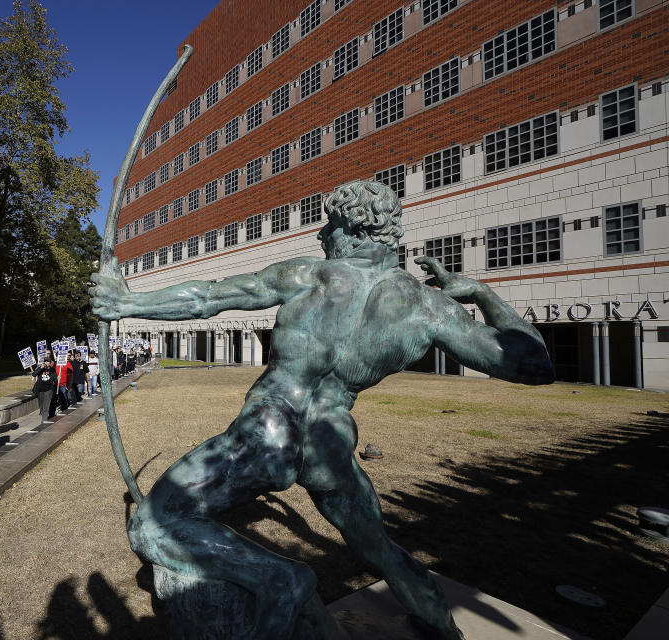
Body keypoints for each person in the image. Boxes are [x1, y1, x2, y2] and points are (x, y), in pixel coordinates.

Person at [90, 180, 554, 640]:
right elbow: (534, 365)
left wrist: (127, 302)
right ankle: (445, 631)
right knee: (379, 550)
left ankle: (281, 579)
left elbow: (209, 298)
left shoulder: (310, 275)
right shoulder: (430, 307)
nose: (321, 236)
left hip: (268, 428)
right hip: (329, 441)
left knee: (152, 524)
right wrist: (481, 294)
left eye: (329, 224)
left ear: (351, 227)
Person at [32, 355, 57, 426]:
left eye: (48, 361)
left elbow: (55, 380)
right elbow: (34, 374)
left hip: (49, 390)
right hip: (40, 390)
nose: (46, 362)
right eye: (45, 361)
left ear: (50, 362)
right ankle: (44, 417)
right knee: (42, 406)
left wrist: (57, 378)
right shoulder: (40, 368)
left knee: (46, 405)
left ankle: (44, 421)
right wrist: (40, 368)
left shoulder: (52, 369)